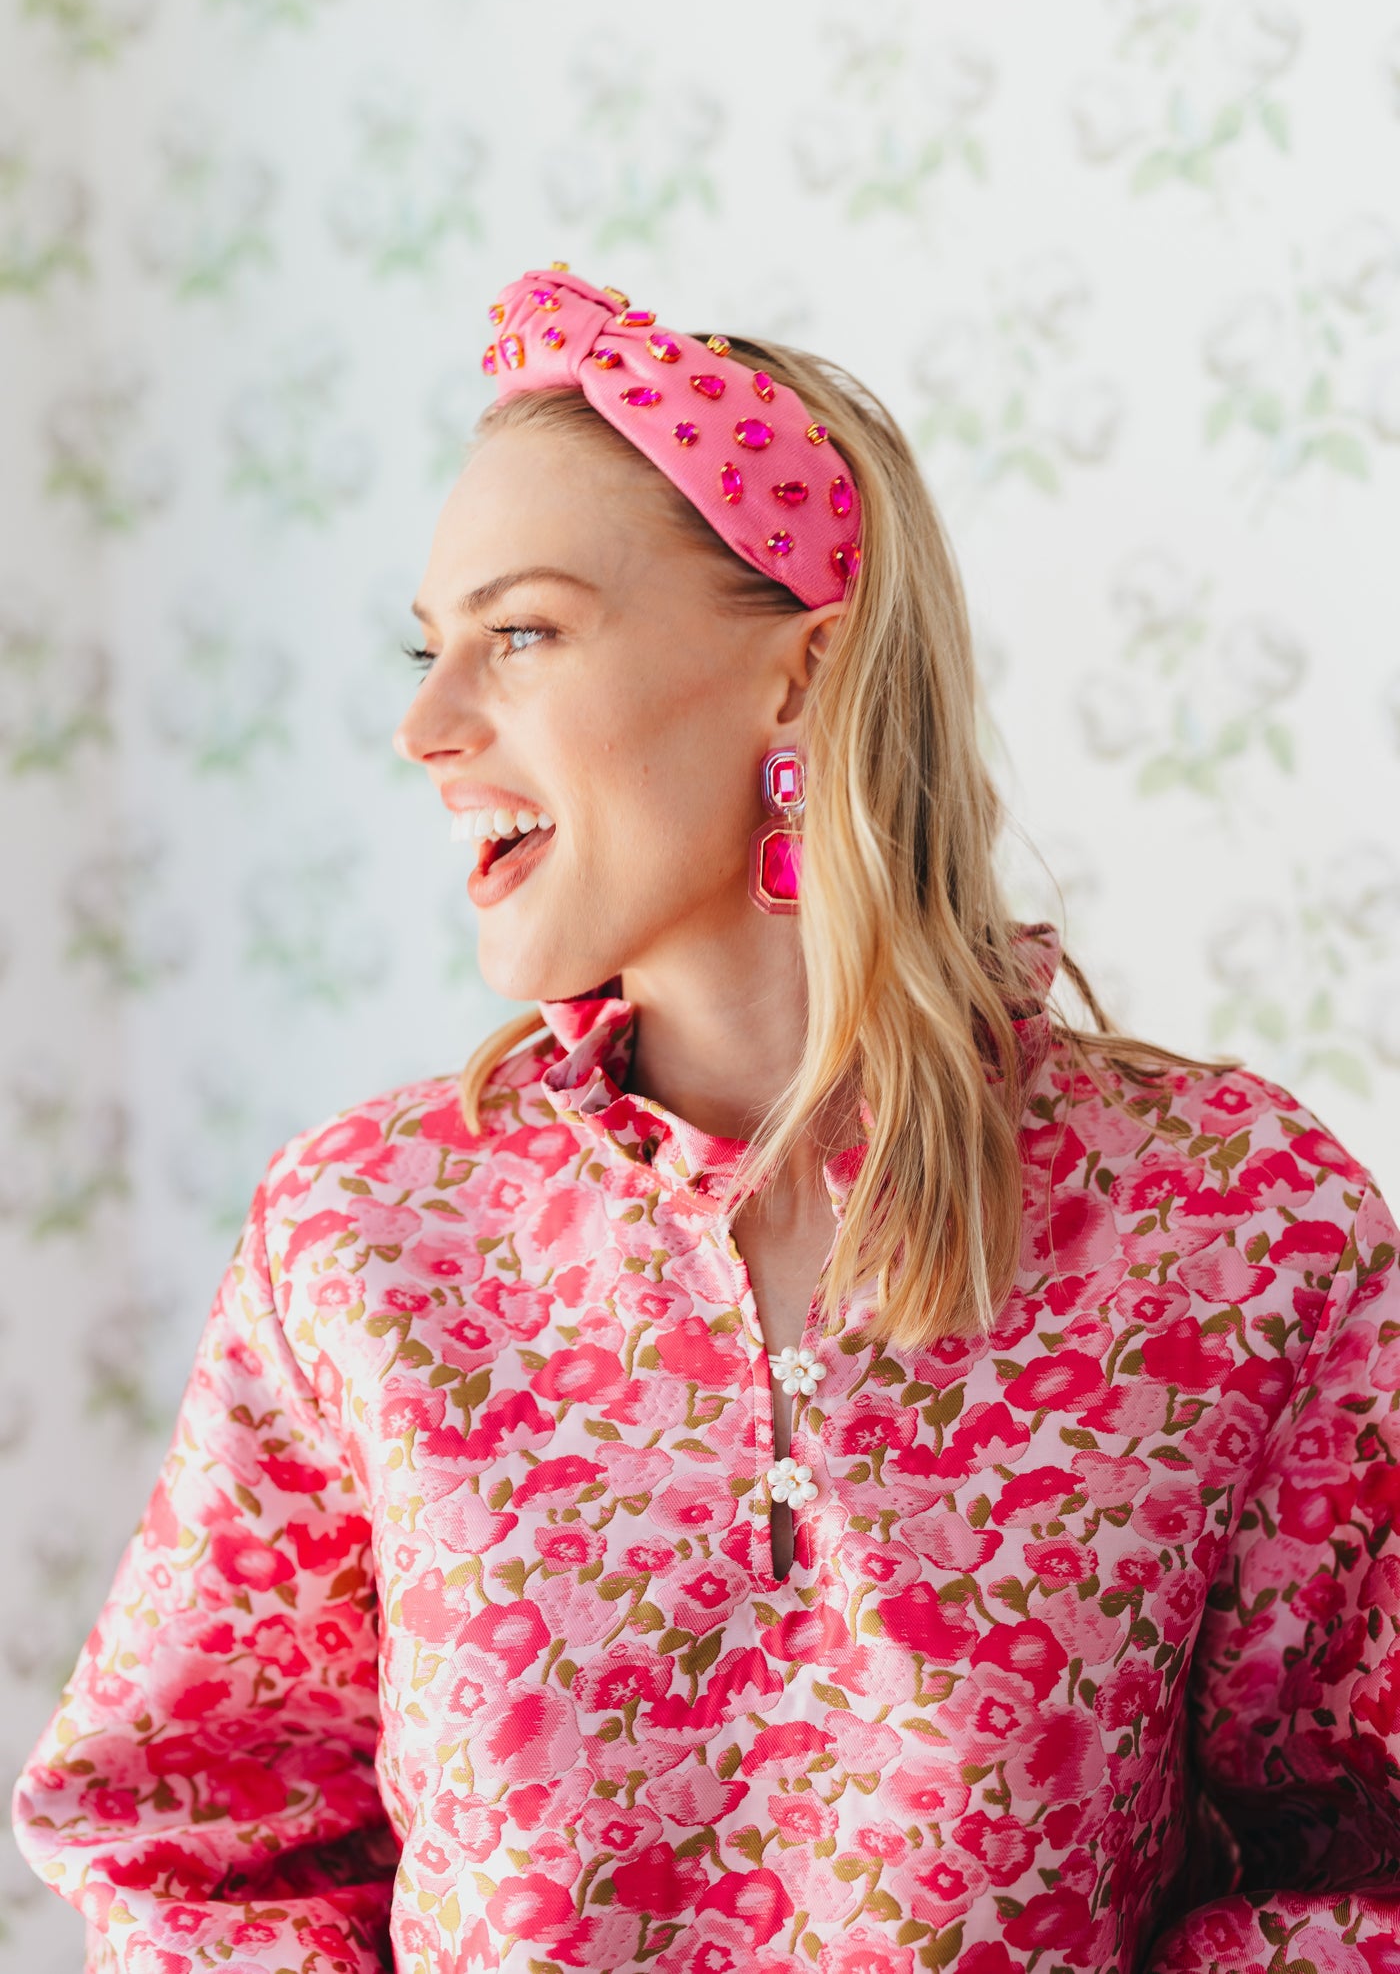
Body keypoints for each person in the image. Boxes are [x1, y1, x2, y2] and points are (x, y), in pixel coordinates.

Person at [12, 264, 1400, 1974]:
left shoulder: (1242, 1226)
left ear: (800, 675)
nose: (427, 727)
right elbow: (184, 1844)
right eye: (427, 650)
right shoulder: (364, 1239)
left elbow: (1363, 1866)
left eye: (519, 633)